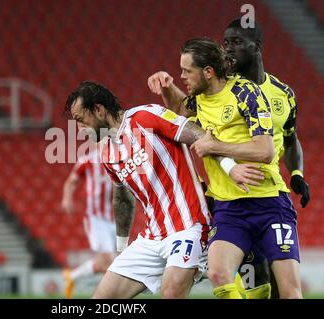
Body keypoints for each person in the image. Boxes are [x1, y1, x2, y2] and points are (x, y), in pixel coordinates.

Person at [65, 81, 260, 299]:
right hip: (152, 236)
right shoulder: (107, 153)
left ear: (99, 109)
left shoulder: (145, 117)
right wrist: (122, 248)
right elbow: (122, 198)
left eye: (81, 121)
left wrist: (230, 167)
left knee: (171, 294)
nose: (80, 130)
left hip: (190, 226)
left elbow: (197, 135)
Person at [147, 38, 302, 299]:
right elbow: (178, 109)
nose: (182, 76)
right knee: (218, 274)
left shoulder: (245, 93)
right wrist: (167, 84)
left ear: (208, 72)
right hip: (229, 209)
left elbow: (265, 151)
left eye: (186, 71)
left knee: (289, 292)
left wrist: (214, 146)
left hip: (269, 203)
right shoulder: (200, 97)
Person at [223, 18, 310, 299]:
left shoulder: (284, 94)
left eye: (236, 42)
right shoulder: (222, 91)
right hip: (232, 201)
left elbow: (290, 139)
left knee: (277, 284)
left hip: (271, 197)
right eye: (225, 44)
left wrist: (297, 174)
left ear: (257, 46)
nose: (228, 50)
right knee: (251, 280)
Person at [60, 143, 116, 299]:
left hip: (113, 219)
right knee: (112, 262)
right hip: (96, 219)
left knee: (104, 263)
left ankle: (71, 277)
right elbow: (71, 181)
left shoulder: (115, 159)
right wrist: (67, 198)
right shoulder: (87, 160)